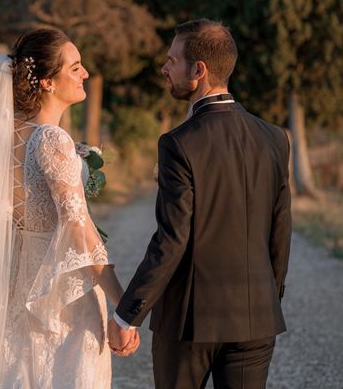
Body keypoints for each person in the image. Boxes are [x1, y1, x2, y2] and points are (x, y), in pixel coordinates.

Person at [0, 27, 138, 389]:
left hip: (13, 279)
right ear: (48, 82)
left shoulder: (4, 136)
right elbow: (79, 227)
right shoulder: (51, 139)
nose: (85, 74)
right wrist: (124, 303)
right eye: (75, 67)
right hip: (58, 290)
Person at [108, 19, 292, 389]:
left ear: (199, 71)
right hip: (255, 319)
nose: (164, 68)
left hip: (189, 322)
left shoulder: (179, 143)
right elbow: (280, 231)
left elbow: (172, 240)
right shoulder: (274, 138)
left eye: (171, 60)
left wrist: (127, 315)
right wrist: (267, 298)